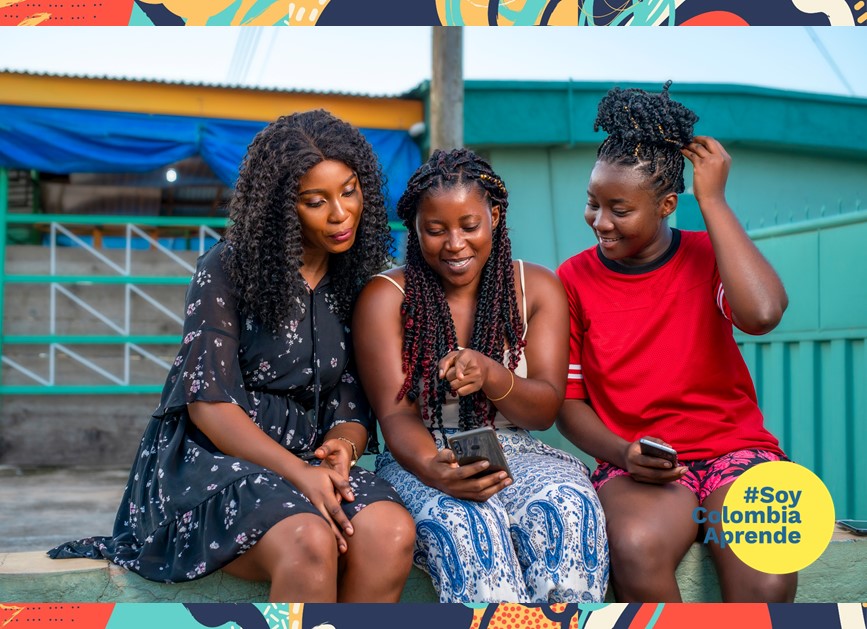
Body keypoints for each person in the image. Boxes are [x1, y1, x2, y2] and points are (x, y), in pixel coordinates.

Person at [49, 110, 416, 603]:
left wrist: (341, 452)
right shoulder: (226, 267)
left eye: (349, 191)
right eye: (315, 201)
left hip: (310, 460)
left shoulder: (361, 280)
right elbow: (209, 403)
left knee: (389, 532)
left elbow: (351, 404)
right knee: (309, 540)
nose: (340, 213)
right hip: (215, 463)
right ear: (280, 207)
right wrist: (298, 472)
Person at [555, 82, 797, 602]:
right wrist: (624, 451)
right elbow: (568, 405)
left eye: (620, 209)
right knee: (635, 547)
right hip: (638, 465)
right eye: (593, 203)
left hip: (737, 453)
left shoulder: (710, 256)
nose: (600, 221)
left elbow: (762, 314)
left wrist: (712, 199)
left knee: (769, 570)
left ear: (667, 204)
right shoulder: (571, 280)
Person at [353, 148, 609, 603]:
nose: (454, 244)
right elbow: (395, 420)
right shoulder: (385, 297)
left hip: (517, 450)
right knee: (468, 526)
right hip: (421, 455)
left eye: (469, 226)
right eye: (435, 229)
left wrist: (493, 374)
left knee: (569, 509)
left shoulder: (537, 287)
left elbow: (546, 408)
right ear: (415, 228)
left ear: (494, 216)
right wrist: (435, 470)